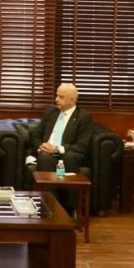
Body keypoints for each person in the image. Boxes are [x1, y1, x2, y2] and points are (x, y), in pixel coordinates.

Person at [28, 83, 93, 212]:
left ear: (72, 100)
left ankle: (71, 208)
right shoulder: (51, 112)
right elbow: (36, 134)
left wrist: (57, 149)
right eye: (57, 95)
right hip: (47, 152)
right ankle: (50, 207)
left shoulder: (83, 117)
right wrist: (41, 147)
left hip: (69, 153)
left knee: (70, 157)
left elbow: (82, 146)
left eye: (61, 97)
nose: (56, 99)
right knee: (45, 158)